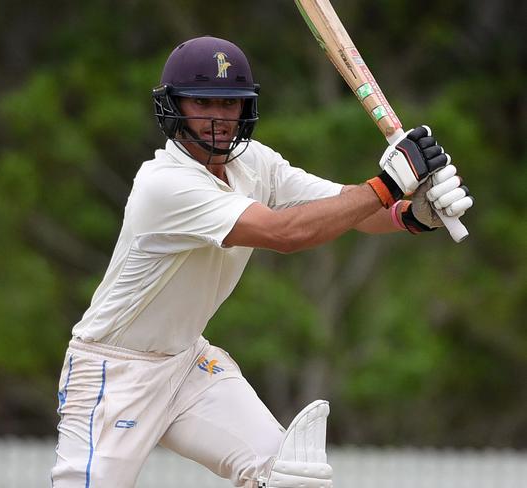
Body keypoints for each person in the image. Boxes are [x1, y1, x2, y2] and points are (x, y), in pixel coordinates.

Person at [50, 36, 473, 488]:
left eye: (230, 103)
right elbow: (285, 233)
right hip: (113, 373)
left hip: (186, 364)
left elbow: (346, 210)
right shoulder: (164, 184)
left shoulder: (254, 163)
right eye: (203, 103)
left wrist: (413, 214)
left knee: (291, 476)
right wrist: (389, 183)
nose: (219, 118)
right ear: (173, 108)